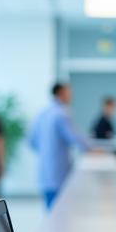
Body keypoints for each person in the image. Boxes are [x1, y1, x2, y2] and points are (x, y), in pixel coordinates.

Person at [28, 82, 91, 210]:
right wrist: (91, 148)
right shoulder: (62, 113)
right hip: (59, 169)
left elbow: (31, 140)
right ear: (61, 93)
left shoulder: (42, 113)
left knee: (50, 207)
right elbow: (75, 137)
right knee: (60, 209)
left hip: (45, 168)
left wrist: (46, 151)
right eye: (69, 92)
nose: (71, 96)